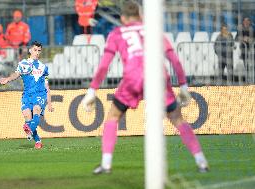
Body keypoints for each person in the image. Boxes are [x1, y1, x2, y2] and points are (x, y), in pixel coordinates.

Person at [82, 1, 209, 174]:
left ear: (123, 18)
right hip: (158, 77)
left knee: (113, 116)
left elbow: (104, 65)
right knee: (178, 119)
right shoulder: (154, 30)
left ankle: (106, 164)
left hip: (133, 78)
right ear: (141, 16)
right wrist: (183, 86)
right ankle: (201, 161)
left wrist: (92, 90)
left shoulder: (117, 33)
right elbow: (175, 60)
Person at [0, 41, 54, 149]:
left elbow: (47, 86)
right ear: (30, 50)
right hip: (27, 94)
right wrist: (7, 79)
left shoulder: (44, 68)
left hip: (40, 93)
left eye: (39, 51)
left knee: (37, 110)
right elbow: (16, 74)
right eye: (35, 50)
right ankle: (37, 140)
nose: (37, 52)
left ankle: (28, 129)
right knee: (27, 117)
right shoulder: (23, 64)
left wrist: (50, 102)